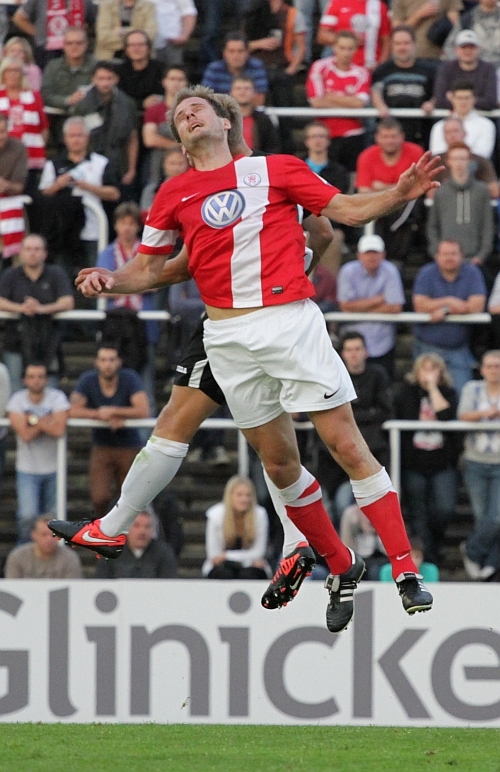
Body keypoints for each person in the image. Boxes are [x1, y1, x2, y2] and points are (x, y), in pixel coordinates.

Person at [52, 86, 442, 632]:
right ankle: (334, 561)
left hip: (288, 323)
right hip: (226, 339)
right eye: (179, 115)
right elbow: (151, 267)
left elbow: (343, 213)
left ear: (226, 123)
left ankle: (404, 570)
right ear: (179, 141)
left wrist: (399, 193)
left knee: (346, 445)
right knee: (279, 465)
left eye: (198, 109)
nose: (188, 115)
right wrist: (111, 279)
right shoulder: (173, 193)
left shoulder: (275, 169)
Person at [315, 331, 393, 521]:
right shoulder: (332, 376)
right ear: (342, 353)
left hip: (369, 449)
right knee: (331, 505)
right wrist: (365, 415)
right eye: (349, 350)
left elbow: (385, 411)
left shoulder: (377, 375)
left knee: (346, 504)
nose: (353, 354)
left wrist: (348, 416)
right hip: (334, 456)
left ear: (366, 352)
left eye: (358, 349)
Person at [68, 344, 150, 519]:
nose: (108, 364)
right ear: (96, 362)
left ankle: (125, 532)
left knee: (129, 497)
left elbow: (144, 410)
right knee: (99, 497)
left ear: (119, 362)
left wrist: (114, 412)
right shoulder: (88, 379)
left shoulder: (129, 378)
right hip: (102, 446)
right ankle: (104, 527)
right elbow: (72, 410)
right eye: (103, 360)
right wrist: (99, 414)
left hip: (129, 446)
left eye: (112, 360)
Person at [394, 353, 459, 565]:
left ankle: (435, 546)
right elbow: (406, 416)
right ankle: (429, 558)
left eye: (433, 369)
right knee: (418, 513)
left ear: (441, 372)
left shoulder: (448, 393)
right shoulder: (406, 392)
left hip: (442, 463)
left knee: (445, 508)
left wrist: (433, 389)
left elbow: (447, 416)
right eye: (424, 369)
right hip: (414, 463)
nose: (428, 374)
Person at [97, 202, 159, 411]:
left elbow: (156, 282)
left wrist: (120, 285)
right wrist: (137, 285)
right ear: (115, 225)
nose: (127, 228)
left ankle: (148, 427)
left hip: (144, 325)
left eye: (132, 223)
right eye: (123, 223)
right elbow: (101, 288)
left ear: (138, 227)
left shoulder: (148, 252)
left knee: (145, 381)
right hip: (115, 324)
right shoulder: (107, 253)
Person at [38, 116, 120, 274]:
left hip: (93, 229)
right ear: (65, 138)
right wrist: (58, 185)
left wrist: (87, 186)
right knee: (63, 273)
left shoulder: (101, 162)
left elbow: (114, 193)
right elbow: (42, 196)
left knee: (95, 273)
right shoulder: (53, 164)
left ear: (87, 138)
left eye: (79, 135)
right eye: (72, 136)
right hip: (63, 231)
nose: (76, 140)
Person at [0, 234, 74, 393]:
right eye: (28, 249)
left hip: (49, 342)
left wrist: (41, 309)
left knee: (50, 390)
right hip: (16, 342)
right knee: (15, 389)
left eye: (37, 249)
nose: (32, 253)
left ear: (45, 253)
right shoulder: (10, 275)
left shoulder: (56, 274)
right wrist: (22, 308)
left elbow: (68, 302)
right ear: (21, 252)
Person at [412, 239, 487, 395]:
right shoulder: (427, 272)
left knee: (462, 394)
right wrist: (449, 301)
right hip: (427, 348)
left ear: (462, 256)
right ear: (437, 256)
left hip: (458, 349)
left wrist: (444, 310)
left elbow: (477, 306)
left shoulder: (472, 272)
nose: (449, 258)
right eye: (445, 254)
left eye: (453, 254)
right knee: (425, 395)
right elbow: (420, 305)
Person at [7, 363, 70, 543]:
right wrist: (47, 421)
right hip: (27, 469)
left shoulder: (57, 397)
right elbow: (25, 435)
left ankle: (54, 554)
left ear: (47, 379)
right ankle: (25, 552)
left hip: (54, 468)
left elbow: (59, 430)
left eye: (40, 376)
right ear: (24, 380)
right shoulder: (17, 400)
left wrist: (33, 420)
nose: (36, 380)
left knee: (54, 518)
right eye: (32, 376)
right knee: (27, 517)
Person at [355, 118, 424, 264]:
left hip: (405, 206)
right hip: (378, 208)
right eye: (385, 137)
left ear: (402, 137)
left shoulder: (415, 152)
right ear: (377, 138)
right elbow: (363, 191)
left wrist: (382, 187)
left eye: (393, 136)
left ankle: (396, 259)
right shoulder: (367, 156)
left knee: (411, 204)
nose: (389, 141)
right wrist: (399, 187)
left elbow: (418, 186)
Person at [337, 235, 405, 378]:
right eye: (367, 253)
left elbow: (395, 307)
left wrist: (358, 306)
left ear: (383, 254)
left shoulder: (391, 270)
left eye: (375, 253)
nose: (371, 257)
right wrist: (380, 299)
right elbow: (345, 306)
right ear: (359, 255)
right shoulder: (347, 271)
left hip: (382, 341)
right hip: (352, 339)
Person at [458, 350, 500, 580]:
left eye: (498, 366)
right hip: (475, 460)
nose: (494, 370)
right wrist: (487, 413)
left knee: (496, 517)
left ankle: (472, 551)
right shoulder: (472, 389)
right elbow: (462, 415)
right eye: (490, 366)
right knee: (483, 517)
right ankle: (489, 564)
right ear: (482, 369)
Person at [244, 0, 307, 153]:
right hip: (256, 70)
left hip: (282, 69)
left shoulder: (292, 14)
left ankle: (287, 152)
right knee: (258, 114)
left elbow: (301, 46)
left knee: (285, 119)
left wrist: (291, 70)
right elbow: (242, 45)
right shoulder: (252, 12)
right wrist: (259, 44)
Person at [305, 30, 370, 172]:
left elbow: (359, 104)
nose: (346, 53)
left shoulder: (362, 73)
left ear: (355, 49)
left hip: (353, 134)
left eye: (350, 48)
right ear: (334, 48)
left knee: (351, 176)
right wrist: (348, 101)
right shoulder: (320, 67)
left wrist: (330, 97)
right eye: (342, 48)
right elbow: (316, 102)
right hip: (326, 134)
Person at [72, 61, 138, 191]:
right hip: (89, 162)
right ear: (93, 79)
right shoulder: (83, 105)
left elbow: (132, 138)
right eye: (101, 79)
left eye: (109, 78)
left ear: (116, 79)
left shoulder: (127, 104)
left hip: (119, 164)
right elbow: (75, 136)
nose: (105, 83)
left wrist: (131, 169)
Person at [426, 142, 494, 266]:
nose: (459, 163)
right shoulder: (441, 192)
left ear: (470, 161)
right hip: (446, 259)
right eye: (455, 158)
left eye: (463, 158)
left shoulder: (482, 190)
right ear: (448, 161)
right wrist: (436, 253)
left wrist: (481, 256)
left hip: (474, 259)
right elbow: (433, 226)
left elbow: (488, 226)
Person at [371, 26, 436, 147]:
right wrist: (381, 107)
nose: (402, 48)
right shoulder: (382, 70)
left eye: (406, 43)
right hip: (390, 132)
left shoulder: (430, 69)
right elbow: (376, 92)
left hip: (421, 130)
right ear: (392, 45)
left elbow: (438, 92)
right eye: (398, 44)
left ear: (414, 44)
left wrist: (431, 104)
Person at [0, 56, 49, 209]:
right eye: (9, 71)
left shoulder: (34, 96)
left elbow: (44, 126)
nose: (12, 74)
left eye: (16, 70)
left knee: (29, 199)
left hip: (31, 156)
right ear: (3, 73)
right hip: (5, 157)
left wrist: (40, 147)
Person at [202, 476, 272, 579]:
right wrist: (245, 559)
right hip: (223, 567)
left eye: (248, 495)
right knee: (224, 573)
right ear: (229, 496)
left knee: (250, 574)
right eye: (239, 495)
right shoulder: (215, 515)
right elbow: (214, 555)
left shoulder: (260, 514)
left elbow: (258, 552)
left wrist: (227, 556)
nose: (244, 499)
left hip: (251, 567)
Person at [12, 0, 96, 70]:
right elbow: (19, 18)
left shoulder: (85, 1)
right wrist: (38, 34)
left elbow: (93, 23)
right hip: (46, 49)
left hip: (75, 48)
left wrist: (81, 34)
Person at [430, 117, 499, 200]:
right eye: (448, 132)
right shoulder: (436, 160)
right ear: (444, 136)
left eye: (456, 131)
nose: (452, 135)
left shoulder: (481, 160)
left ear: (464, 133)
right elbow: (430, 192)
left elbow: (495, 191)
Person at [95, 508, 177, 577]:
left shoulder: (164, 553)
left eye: (147, 527)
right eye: (136, 526)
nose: (142, 531)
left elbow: (169, 582)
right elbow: (100, 582)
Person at [142, 65, 188, 186]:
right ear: (164, 82)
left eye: (180, 79)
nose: (176, 83)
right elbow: (149, 139)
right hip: (157, 164)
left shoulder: (191, 111)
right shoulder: (154, 110)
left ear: (186, 83)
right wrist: (180, 146)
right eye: (172, 79)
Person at [429, 81, 496, 160]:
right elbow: (437, 155)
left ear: (474, 99)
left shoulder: (486, 125)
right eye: (459, 98)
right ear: (452, 99)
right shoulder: (439, 126)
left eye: (467, 98)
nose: (463, 102)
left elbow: (482, 155)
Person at [433, 30, 497, 112]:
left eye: (472, 47)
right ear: (456, 49)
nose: (467, 51)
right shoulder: (446, 68)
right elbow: (440, 101)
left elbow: (490, 102)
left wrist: (455, 99)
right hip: (452, 117)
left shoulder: (488, 69)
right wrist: (476, 100)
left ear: (479, 49)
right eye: (463, 47)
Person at [317, 0, 391, 71]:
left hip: (370, 67)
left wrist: (380, 67)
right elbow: (322, 36)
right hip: (343, 69)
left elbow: (387, 41)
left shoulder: (380, 6)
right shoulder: (337, 2)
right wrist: (349, 40)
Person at [5, 513, 83, 578]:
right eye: (44, 535)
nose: (49, 539)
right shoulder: (18, 557)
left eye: (53, 535)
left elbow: (73, 587)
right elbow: (12, 585)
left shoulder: (69, 558)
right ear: (34, 535)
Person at [201, 32, 269, 107]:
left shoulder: (256, 66)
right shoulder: (214, 69)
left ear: (247, 52)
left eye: (240, 51)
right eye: (231, 51)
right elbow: (206, 99)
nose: (236, 56)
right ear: (224, 53)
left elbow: (259, 101)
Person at [391, 0, 462, 62]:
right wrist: (418, 15)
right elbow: (397, 29)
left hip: (439, 56)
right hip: (411, 58)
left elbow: (455, 24)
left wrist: (448, 47)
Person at [0, 113, 28, 262]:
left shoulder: (18, 148)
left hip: (10, 202)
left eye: (2, 131)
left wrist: (6, 185)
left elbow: (19, 186)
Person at [114, 30, 164, 113]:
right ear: (126, 49)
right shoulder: (117, 71)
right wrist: (141, 103)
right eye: (132, 45)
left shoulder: (162, 69)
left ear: (148, 48)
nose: (136, 49)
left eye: (141, 44)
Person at [229, 76, 279, 154]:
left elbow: (273, 147)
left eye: (247, 88)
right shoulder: (223, 120)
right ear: (231, 93)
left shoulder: (264, 120)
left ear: (254, 93)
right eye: (238, 88)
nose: (242, 92)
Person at [339, 503, 386, 580]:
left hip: (382, 558)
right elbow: (345, 547)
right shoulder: (351, 514)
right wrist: (355, 526)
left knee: (376, 571)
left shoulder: (387, 511)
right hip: (359, 558)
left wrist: (380, 528)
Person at [151, 0, 197, 67]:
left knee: (174, 70)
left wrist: (184, 35)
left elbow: (188, 11)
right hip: (145, 44)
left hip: (172, 43)